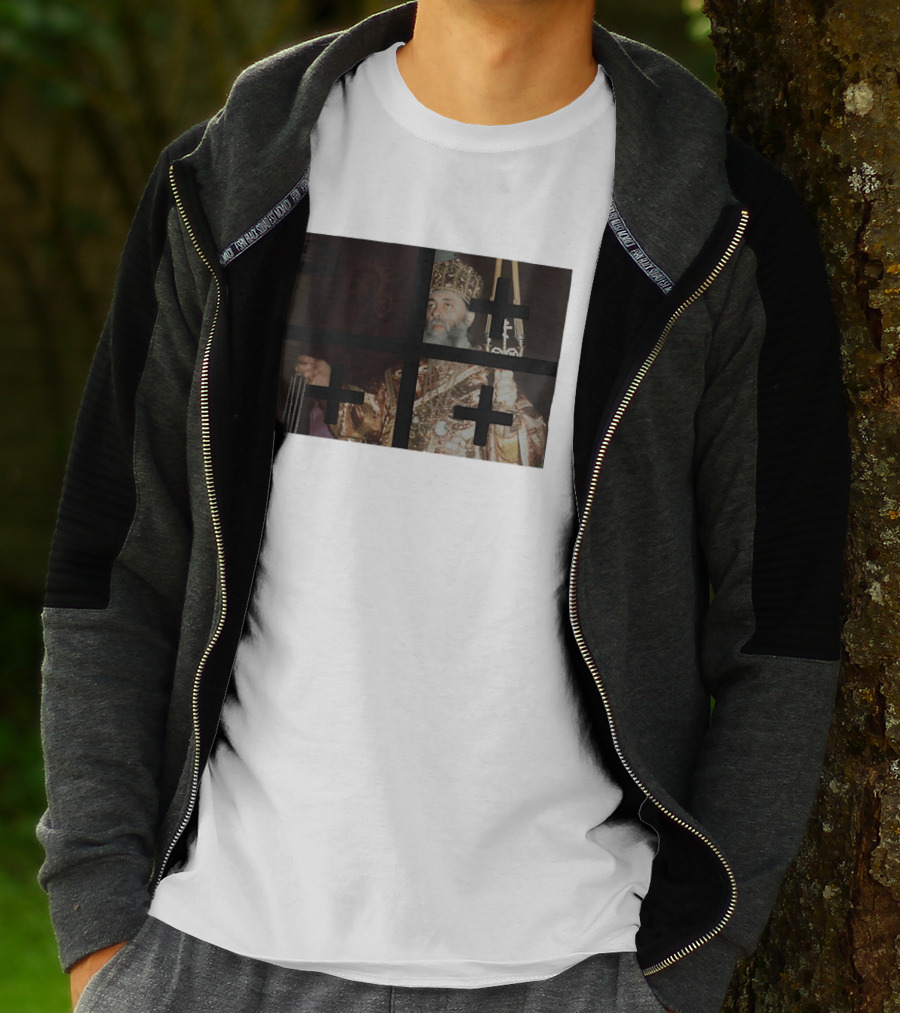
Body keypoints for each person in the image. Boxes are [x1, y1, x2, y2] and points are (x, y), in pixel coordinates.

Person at [38, 2, 849, 1012]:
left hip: (570, 968)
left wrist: (684, 968)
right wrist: (101, 928)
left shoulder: (720, 226)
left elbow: (782, 626)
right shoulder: (227, 181)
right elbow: (114, 569)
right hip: (207, 956)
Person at [290, 257, 548, 464]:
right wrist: (331, 384)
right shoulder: (401, 374)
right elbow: (369, 419)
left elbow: (532, 444)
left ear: (469, 318)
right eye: (431, 304)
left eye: (448, 305)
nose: (436, 311)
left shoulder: (491, 374)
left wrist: (507, 409)